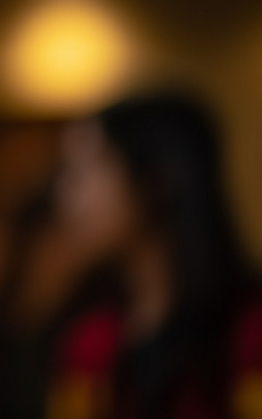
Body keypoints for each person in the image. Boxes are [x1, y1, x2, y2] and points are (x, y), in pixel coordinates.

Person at [36, 91, 262, 419]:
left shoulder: (248, 335)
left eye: (82, 173)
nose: (66, 197)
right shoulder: (90, 341)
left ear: (154, 181)